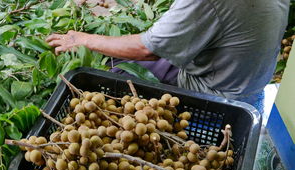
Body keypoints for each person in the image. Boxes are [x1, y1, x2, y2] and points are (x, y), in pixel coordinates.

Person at [46, 0, 290, 104]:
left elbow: (146, 49)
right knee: (119, 51)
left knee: (112, 71)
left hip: (218, 94)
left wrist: (82, 38)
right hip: (246, 81)